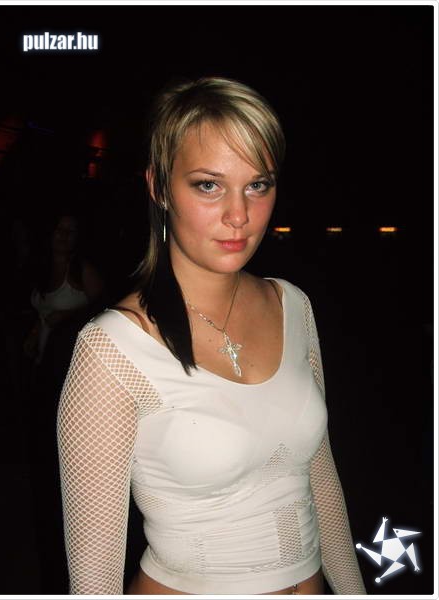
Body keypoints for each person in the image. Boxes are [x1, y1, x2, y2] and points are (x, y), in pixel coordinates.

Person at [57, 76, 367, 595]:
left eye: (257, 185)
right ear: (159, 187)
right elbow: (94, 582)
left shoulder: (293, 305)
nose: (239, 215)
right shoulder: (112, 349)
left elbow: (321, 478)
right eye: (208, 185)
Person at [24, 214, 104, 367]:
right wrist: (34, 334)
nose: (64, 234)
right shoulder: (41, 268)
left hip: (72, 360)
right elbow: (43, 313)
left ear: (77, 237)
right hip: (43, 360)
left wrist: (68, 315)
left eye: (70, 231)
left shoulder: (83, 270)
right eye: (59, 229)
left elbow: (104, 309)